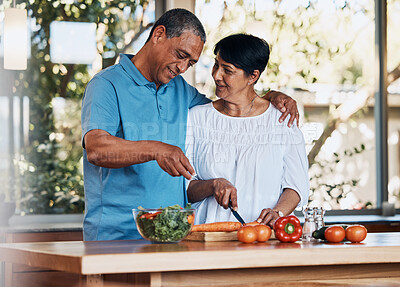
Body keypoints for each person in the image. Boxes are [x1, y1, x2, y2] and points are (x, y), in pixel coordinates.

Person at [81, 8, 300, 241]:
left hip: (171, 235)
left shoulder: (179, 89)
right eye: (180, 54)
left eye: (190, 62)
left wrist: (270, 97)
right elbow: (97, 149)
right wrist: (157, 150)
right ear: (158, 34)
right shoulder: (106, 84)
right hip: (116, 235)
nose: (183, 68)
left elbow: (229, 107)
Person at [186, 34, 309, 227]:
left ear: (253, 76)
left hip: (263, 237)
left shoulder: (282, 119)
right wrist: (212, 185)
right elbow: (185, 188)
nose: (216, 75)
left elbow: (296, 186)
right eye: (216, 65)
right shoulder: (196, 118)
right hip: (207, 238)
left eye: (228, 70)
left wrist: (278, 212)